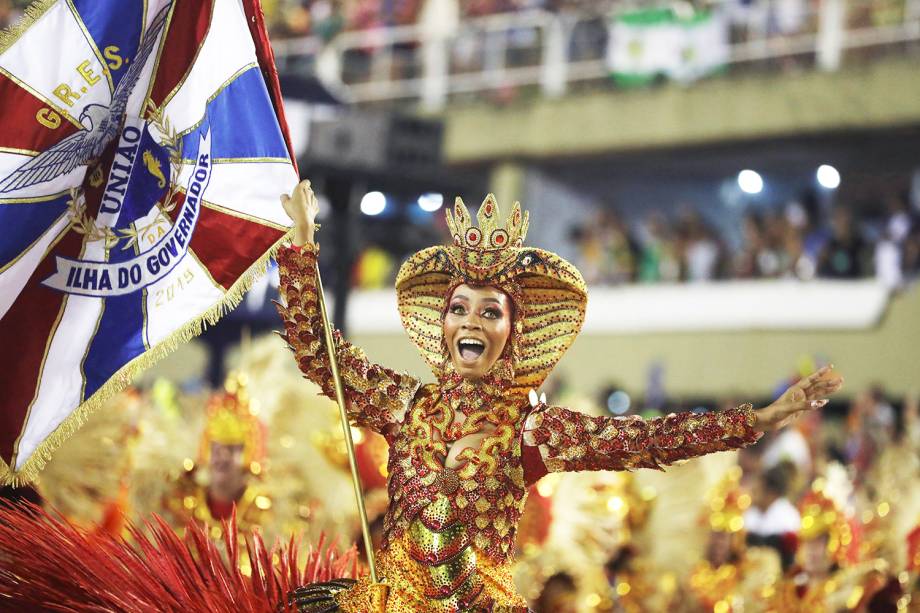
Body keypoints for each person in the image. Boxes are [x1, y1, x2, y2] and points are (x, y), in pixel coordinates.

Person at [277, 180, 844, 612]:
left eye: (489, 311)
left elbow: (645, 440)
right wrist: (302, 248)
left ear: (511, 333)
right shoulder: (405, 405)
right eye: (458, 307)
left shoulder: (532, 431)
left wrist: (760, 419)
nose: (470, 321)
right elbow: (316, 353)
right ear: (443, 323)